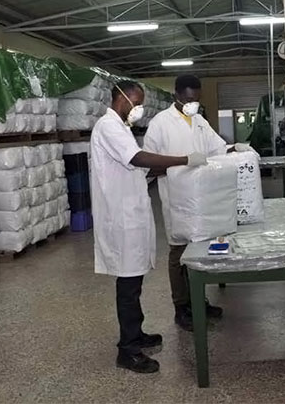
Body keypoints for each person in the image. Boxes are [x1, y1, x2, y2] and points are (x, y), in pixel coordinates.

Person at [91, 80, 207, 374]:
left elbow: (141, 167)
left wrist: (176, 166)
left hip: (132, 214)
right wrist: (184, 159)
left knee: (135, 280)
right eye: (137, 102)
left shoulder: (122, 128)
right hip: (120, 217)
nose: (139, 108)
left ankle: (137, 333)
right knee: (128, 286)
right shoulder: (108, 127)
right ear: (121, 99)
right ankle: (127, 350)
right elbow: (138, 158)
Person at [144, 75, 255, 331]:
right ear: (176, 95)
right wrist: (182, 163)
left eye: (196, 99)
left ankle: (198, 301)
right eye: (188, 99)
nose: (192, 103)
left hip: (203, 199)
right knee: (179, 252)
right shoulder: (160, 123)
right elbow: (148, 165)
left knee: (200, 250)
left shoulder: (200, 120)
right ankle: (181, 307)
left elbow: (217, 149)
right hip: (177, 198)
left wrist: (236, 149)